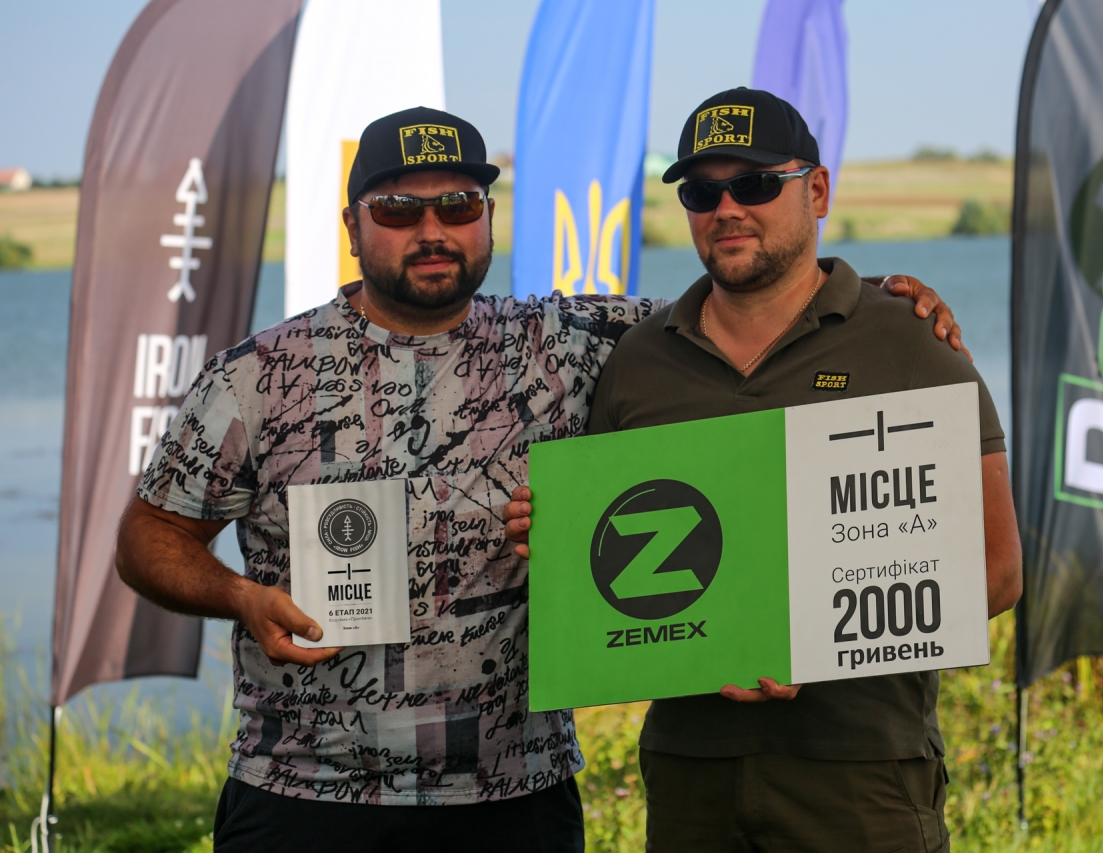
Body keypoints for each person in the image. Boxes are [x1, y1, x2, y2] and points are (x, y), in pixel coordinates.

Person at [115, 105, 967, 853]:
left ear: (488, 216)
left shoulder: (569, 341)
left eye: (458, 206)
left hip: (515, 797)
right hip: (303, 793)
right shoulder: (258, 376)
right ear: (352, 224)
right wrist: (239, 595)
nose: (432, 230)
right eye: (399, 210)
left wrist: (875, 303)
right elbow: (148, 537)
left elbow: (749, 311)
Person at [504, 88, 1022, 853]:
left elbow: (999, 570)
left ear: (817, 191)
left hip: (864, 774)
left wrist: (818, 642)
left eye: (753, 184)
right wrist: (549, 536)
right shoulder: (640, 359)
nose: (727, 209)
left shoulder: (911, 343)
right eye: (701, 192)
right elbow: (604, 563)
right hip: (691, 776)